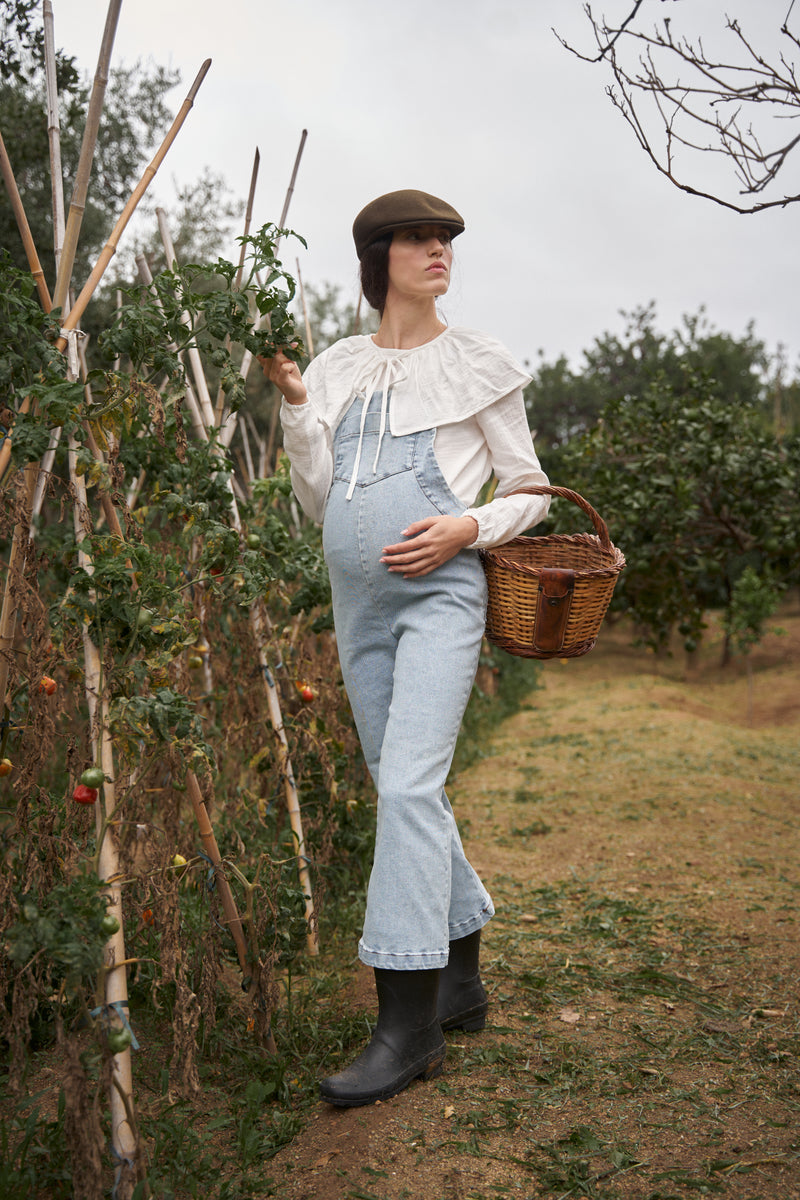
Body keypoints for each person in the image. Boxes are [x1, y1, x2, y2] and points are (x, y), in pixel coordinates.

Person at [261, 189, 550, 1108]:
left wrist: (465, 527)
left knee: (412, 785)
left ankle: (407, 1023)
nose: (439, 251)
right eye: (419, 239)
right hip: (360, 604)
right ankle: (461, 975)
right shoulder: (338, 366)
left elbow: (532, 490)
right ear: (378, 256)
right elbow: (316, 500)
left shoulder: (478, 363)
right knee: (400, 783)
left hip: (439, 598)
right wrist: (301, 407)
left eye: (446, 240)